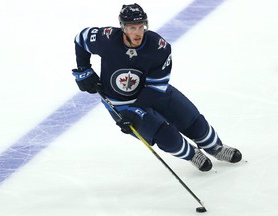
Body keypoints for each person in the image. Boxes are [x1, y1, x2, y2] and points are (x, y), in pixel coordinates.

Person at [72, 3, 242, 172]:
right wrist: (83, 69)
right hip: (121, 103)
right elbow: (81, 39)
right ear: (123, 27)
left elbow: (156, 87)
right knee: (168, 139)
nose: (138, 32)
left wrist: (136, 111)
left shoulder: (158, 47)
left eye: (141, 26)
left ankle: (216, 148)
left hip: (154, 92)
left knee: (192, 121)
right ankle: (192, 155)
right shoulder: (106, 39)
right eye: (132, 28)